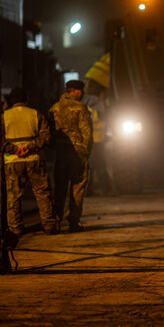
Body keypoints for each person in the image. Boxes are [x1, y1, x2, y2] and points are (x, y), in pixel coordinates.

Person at [2, 87, 60, 237]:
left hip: (12, 161)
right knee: (42, 193)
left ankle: (16, 228)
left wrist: (15, 149)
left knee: (14, 196)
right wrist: (29, 147)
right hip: (35, 160)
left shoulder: (3, 117)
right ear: (26, 100)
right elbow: (46, 137)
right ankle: (49, 225)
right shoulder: (36, 114)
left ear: (11, 101)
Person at [49, 80, 93, 233]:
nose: (82, 94)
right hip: (77, 154)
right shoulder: (80, 108)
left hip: (61, 154)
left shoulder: (54, 108)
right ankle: (74, 222)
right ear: (73, 91)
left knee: (59, 189)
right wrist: (85, 152)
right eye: (80, 90)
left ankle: (56, 221)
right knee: (78, 188)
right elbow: (86, 133)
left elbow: (50, 135)